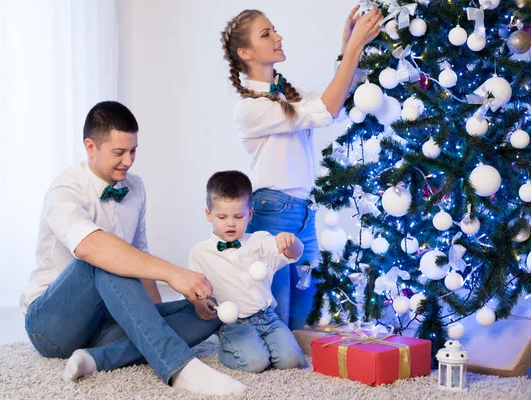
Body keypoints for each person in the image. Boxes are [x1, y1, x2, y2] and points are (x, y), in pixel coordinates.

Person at [20, 101, 246, 396]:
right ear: (91, 147)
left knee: (210, 310)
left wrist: (147, 317)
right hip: (51, 326)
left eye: (133, 151)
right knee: (105, 259)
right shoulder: (64, 190)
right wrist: (174, 274)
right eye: (119, 152)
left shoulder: (135, 187)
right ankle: (179, 367)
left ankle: (95, 359)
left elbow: (141, 254)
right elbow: (91, 248)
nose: (129, 161)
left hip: (105, 322)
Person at [220, 6, 383, 330]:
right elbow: (325, 108)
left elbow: (333, 105)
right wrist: (353, 49)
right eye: (266, 34)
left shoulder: (288, 97)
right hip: (273, 212)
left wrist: (347, 47)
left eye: (274, 29)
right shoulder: (250, 109)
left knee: (302, 318)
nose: (278, 37)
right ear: (245, 52)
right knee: (275, 320)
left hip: (304, 213)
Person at [188, 170, 306, 373]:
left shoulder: (259, 241)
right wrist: (198, 304)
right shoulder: (200, 252)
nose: (231, 223)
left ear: (250, 214)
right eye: (222, 217)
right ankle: (228, 346)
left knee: (292, 360)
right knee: (255, 363)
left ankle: (265, 344)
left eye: (239, 216)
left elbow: (294, 254)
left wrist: (291, 242)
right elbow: (193, 288)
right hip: (234, 323)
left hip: (268, 317)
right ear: (209, 215)